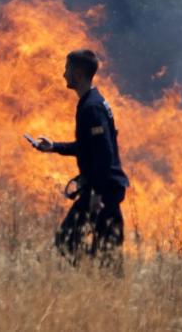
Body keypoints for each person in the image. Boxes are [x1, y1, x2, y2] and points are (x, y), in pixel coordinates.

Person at [32, 49, 130, 267]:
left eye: (67, 69)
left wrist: (96, 193)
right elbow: (89, 147)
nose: (63, 74)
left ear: (77, 73)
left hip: (103, 192)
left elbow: (104, 153)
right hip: (103, 189)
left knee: (69, 241)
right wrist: (54, 147)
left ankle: (94, 278)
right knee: (104, 254)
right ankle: (97, 279)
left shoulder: (92, 107)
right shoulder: (90, 103)